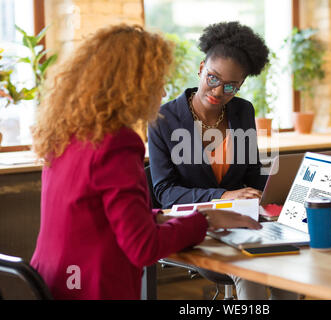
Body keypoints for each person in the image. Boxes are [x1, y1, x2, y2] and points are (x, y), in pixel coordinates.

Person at [30, 24, 261, 300]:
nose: (163, 93)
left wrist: (167, 217)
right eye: (156, 82)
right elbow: (143, 246)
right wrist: (205, 218)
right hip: (92, 287)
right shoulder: (118, 143)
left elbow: (106, 218)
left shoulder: (67, 133)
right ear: (132, 86)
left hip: (52, 283)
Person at [148, 21, 298, 300]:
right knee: (248, 269)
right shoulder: (163, 119)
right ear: (201, 68)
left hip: (241, 222)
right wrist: (224, 196)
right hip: (193, 225)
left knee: (287, 261)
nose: (218, 92)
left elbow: (253, 172)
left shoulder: (242, 111)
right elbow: (165, 192)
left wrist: (276, 188)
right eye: (213, 78)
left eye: (230, 86)